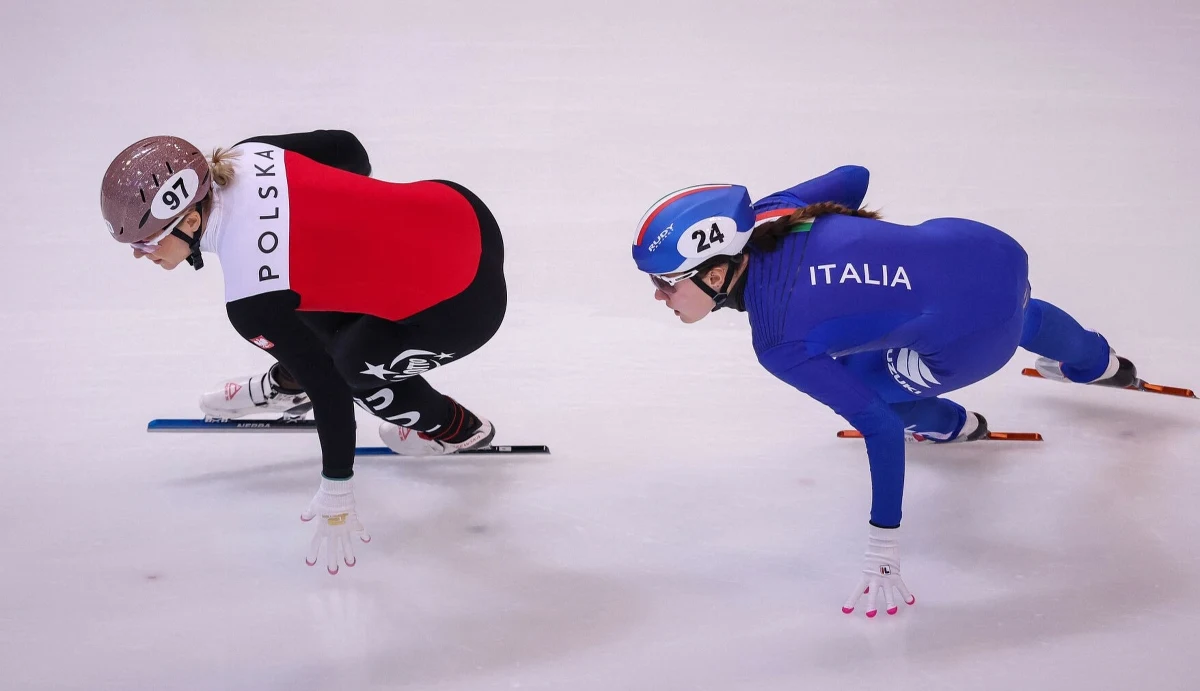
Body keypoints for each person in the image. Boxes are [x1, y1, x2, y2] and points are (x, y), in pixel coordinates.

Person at [630, 167, 1137, 618]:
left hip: (974, 339)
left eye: (665, 282)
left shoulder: (778, 341)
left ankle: (953, 425)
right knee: (1000, 307)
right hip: (984, 248)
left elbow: (879, 424)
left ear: (716, 273)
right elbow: (853, 175)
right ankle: (1100, 363)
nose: (658, 295)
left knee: (866, 382)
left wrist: (883, 546)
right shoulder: (772, 213)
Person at [101, 130, 507, 573]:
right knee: (300, 289)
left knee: (352, 368)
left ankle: (456, 428)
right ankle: (295, 375)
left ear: (191, 221)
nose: (141, 256)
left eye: (144, 242)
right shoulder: (247, 154)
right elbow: (348, 149)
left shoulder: (250, 300)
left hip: (464, 302)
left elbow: (331, 391)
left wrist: (337, 486)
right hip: (457, 207)